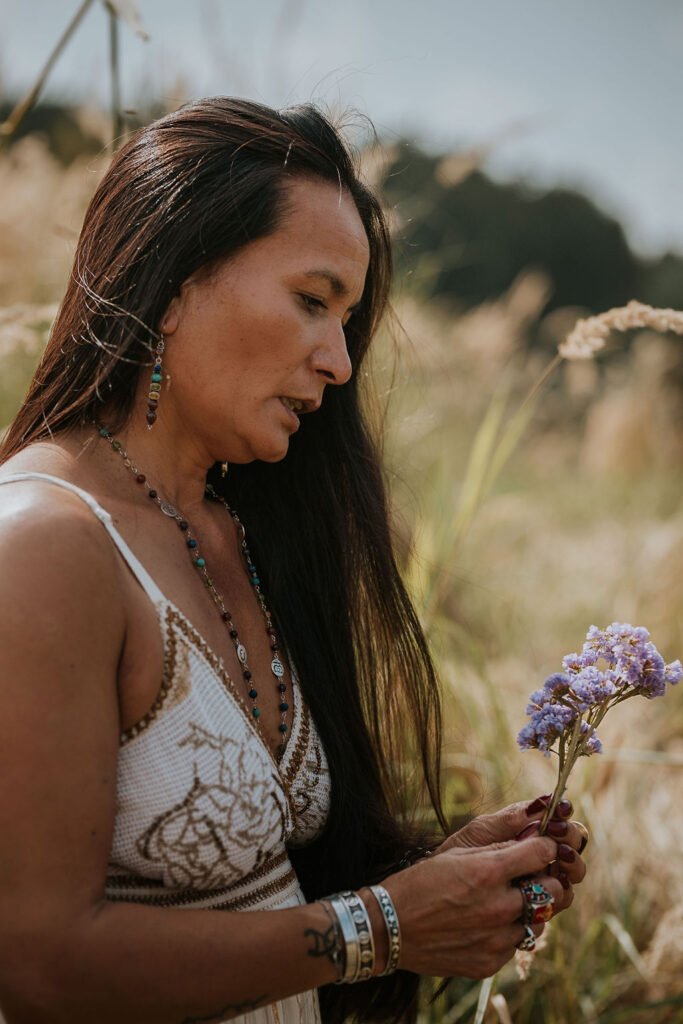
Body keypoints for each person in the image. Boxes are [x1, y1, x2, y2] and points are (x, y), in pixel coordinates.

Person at [0, 97, 587, 1024]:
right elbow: (35, 963)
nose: (339, 362)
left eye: (347, 321)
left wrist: (435, 884)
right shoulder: (45, 545)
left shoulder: (238, 530)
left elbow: (268, 893)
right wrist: (382, 928)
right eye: (313, 301)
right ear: (176, 277)